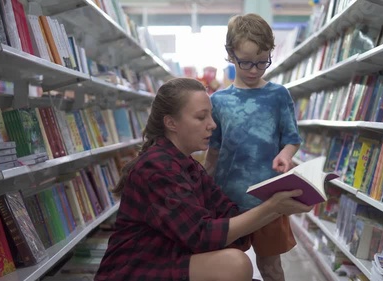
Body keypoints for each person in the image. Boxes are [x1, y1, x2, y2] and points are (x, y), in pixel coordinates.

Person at [94, 78, 312, 281]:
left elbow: (228, 213)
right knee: (234, 264)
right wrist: (272, 207)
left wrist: (280, 206)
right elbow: (202, 236)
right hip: (138, 269)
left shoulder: (189, 166)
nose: (213, 125)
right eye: (201, 117)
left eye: (211, 115)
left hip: (172, 258)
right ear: (171, 123)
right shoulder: (156, 167)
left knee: (234, 261)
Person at [204, 13, 303, 281]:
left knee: (271, 268)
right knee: (225, 267)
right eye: (245, 62)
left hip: (269, 202)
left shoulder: (278, 95)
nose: (254, 70)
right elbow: (213, 153)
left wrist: (285, 155)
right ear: (230, 54)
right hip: (227, 202)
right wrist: (201, 189)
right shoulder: (218, 101)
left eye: (262, 62)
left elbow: (292, 139)